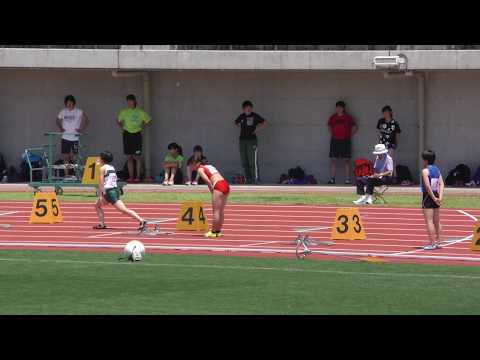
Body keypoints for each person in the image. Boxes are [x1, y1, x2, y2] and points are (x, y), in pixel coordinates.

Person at [93, 151, 146, 230]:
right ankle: (102, 224)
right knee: (97, 206)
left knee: (123, 209)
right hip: (114, 190)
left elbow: (101, 182)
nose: (98, 158)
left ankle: (141, 220)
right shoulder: (111, 167)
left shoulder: (102, 168)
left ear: (102, 159)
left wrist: (101, 193)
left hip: (109, 192)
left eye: (100, 157)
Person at [117, 94, 152, 183]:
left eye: (130, 101)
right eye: (127, 101)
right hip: (127, 134)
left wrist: (142, 127)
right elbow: (118, 120)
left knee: (136, 156)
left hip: (136, 134)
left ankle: (137, 176)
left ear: (134, 101)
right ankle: (131, 177)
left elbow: (148, 120)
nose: (129, 103)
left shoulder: (140, 112)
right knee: (129, 156)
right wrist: (122, 127)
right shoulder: (124, 112)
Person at [192, 158, 230, 238]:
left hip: (218, 185)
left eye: (193, 163)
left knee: (216, 211)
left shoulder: (200, 169)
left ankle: (213, 231)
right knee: (220, 210)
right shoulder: (210, 166)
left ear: (198, 163)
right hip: (225, 184)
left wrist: (212, 190)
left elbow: (207, 181)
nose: (192, 166)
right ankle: (218, 231)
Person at [234, 100, 268, 184]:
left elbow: (265, 123)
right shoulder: (241, 116)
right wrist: (240, 127)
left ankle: (255, 179)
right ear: (243, 109)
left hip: (252, 141)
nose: (248, 109)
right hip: (242, 141)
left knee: (252, 161)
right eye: (246, 108)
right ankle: (248, 179)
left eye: (250, 108)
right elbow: (236, 122)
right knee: (244, 161)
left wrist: (257, 130)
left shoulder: (255, 116)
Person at [56, 95, 90, 176]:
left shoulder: (79, 111)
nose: (69, 105)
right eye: (67, 103)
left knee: (75, 157)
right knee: (65, 157)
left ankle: (76, 174)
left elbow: (87, 120)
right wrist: (60, 128)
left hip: (75, 138)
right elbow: (57, 120)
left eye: (70, 103)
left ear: (74, 103)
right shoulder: (63, 111)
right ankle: (66, 175)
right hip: (65, 137)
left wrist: (82, 129)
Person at [328, 101, 358, 185]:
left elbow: (355, 127)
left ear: (343, 108)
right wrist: (333, 135)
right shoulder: (333, 117)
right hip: (335, 141)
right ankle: (332, 179)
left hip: (345, 141)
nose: (338, 109)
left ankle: (347, 179)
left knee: (346, 161)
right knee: (333, 160)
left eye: (340, 107)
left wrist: (349, 135)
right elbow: (329, 126)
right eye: (337, 107)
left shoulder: (348, 117)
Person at [420, 150, 445, 250]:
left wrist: (433, 198)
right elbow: (442, 184)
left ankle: (432, 243)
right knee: (437, 221)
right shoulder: (437, 170)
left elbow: (427, 186)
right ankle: (438, 242)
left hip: (428, 197)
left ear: (425, 160)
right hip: (437, 194)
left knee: (429, 221)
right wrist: (440, 197)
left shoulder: (425, 171)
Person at [377, 105, 401, 178]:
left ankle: (393, 176)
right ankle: (383, 177)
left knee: (390, 160)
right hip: (382, 144)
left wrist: (396, 144)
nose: (385, 114)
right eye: (384, 112)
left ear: (390, 112)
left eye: (387, 112)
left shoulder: (394, 123)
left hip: (391, 144)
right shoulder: (381, 121)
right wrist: (379, 143)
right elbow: (379, 132)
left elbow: (397, 134)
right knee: (382, 160)